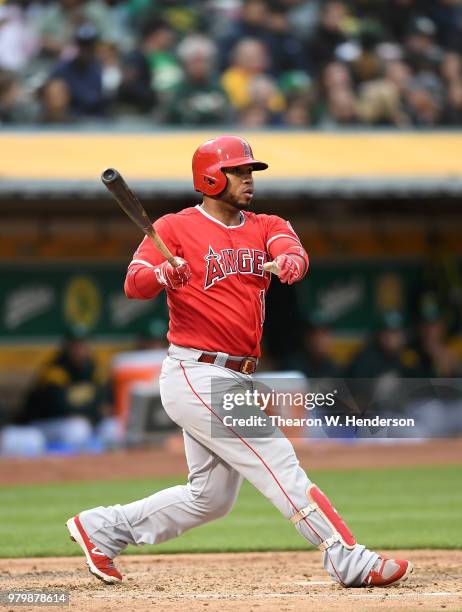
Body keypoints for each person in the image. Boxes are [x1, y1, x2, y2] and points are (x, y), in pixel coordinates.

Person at [66, 135, 412, 588]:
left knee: (210, 499)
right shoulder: (173, 228)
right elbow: (135, 282)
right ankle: (346, 557)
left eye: (250, 171)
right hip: (196, 371)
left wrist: (290, 263)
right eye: (239, 171)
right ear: (211, 177)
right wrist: (162, 273)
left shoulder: (266, 224)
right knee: (277, 458)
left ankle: (101, 528)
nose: (248, 179)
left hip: (239, 375)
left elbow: (294, 251)